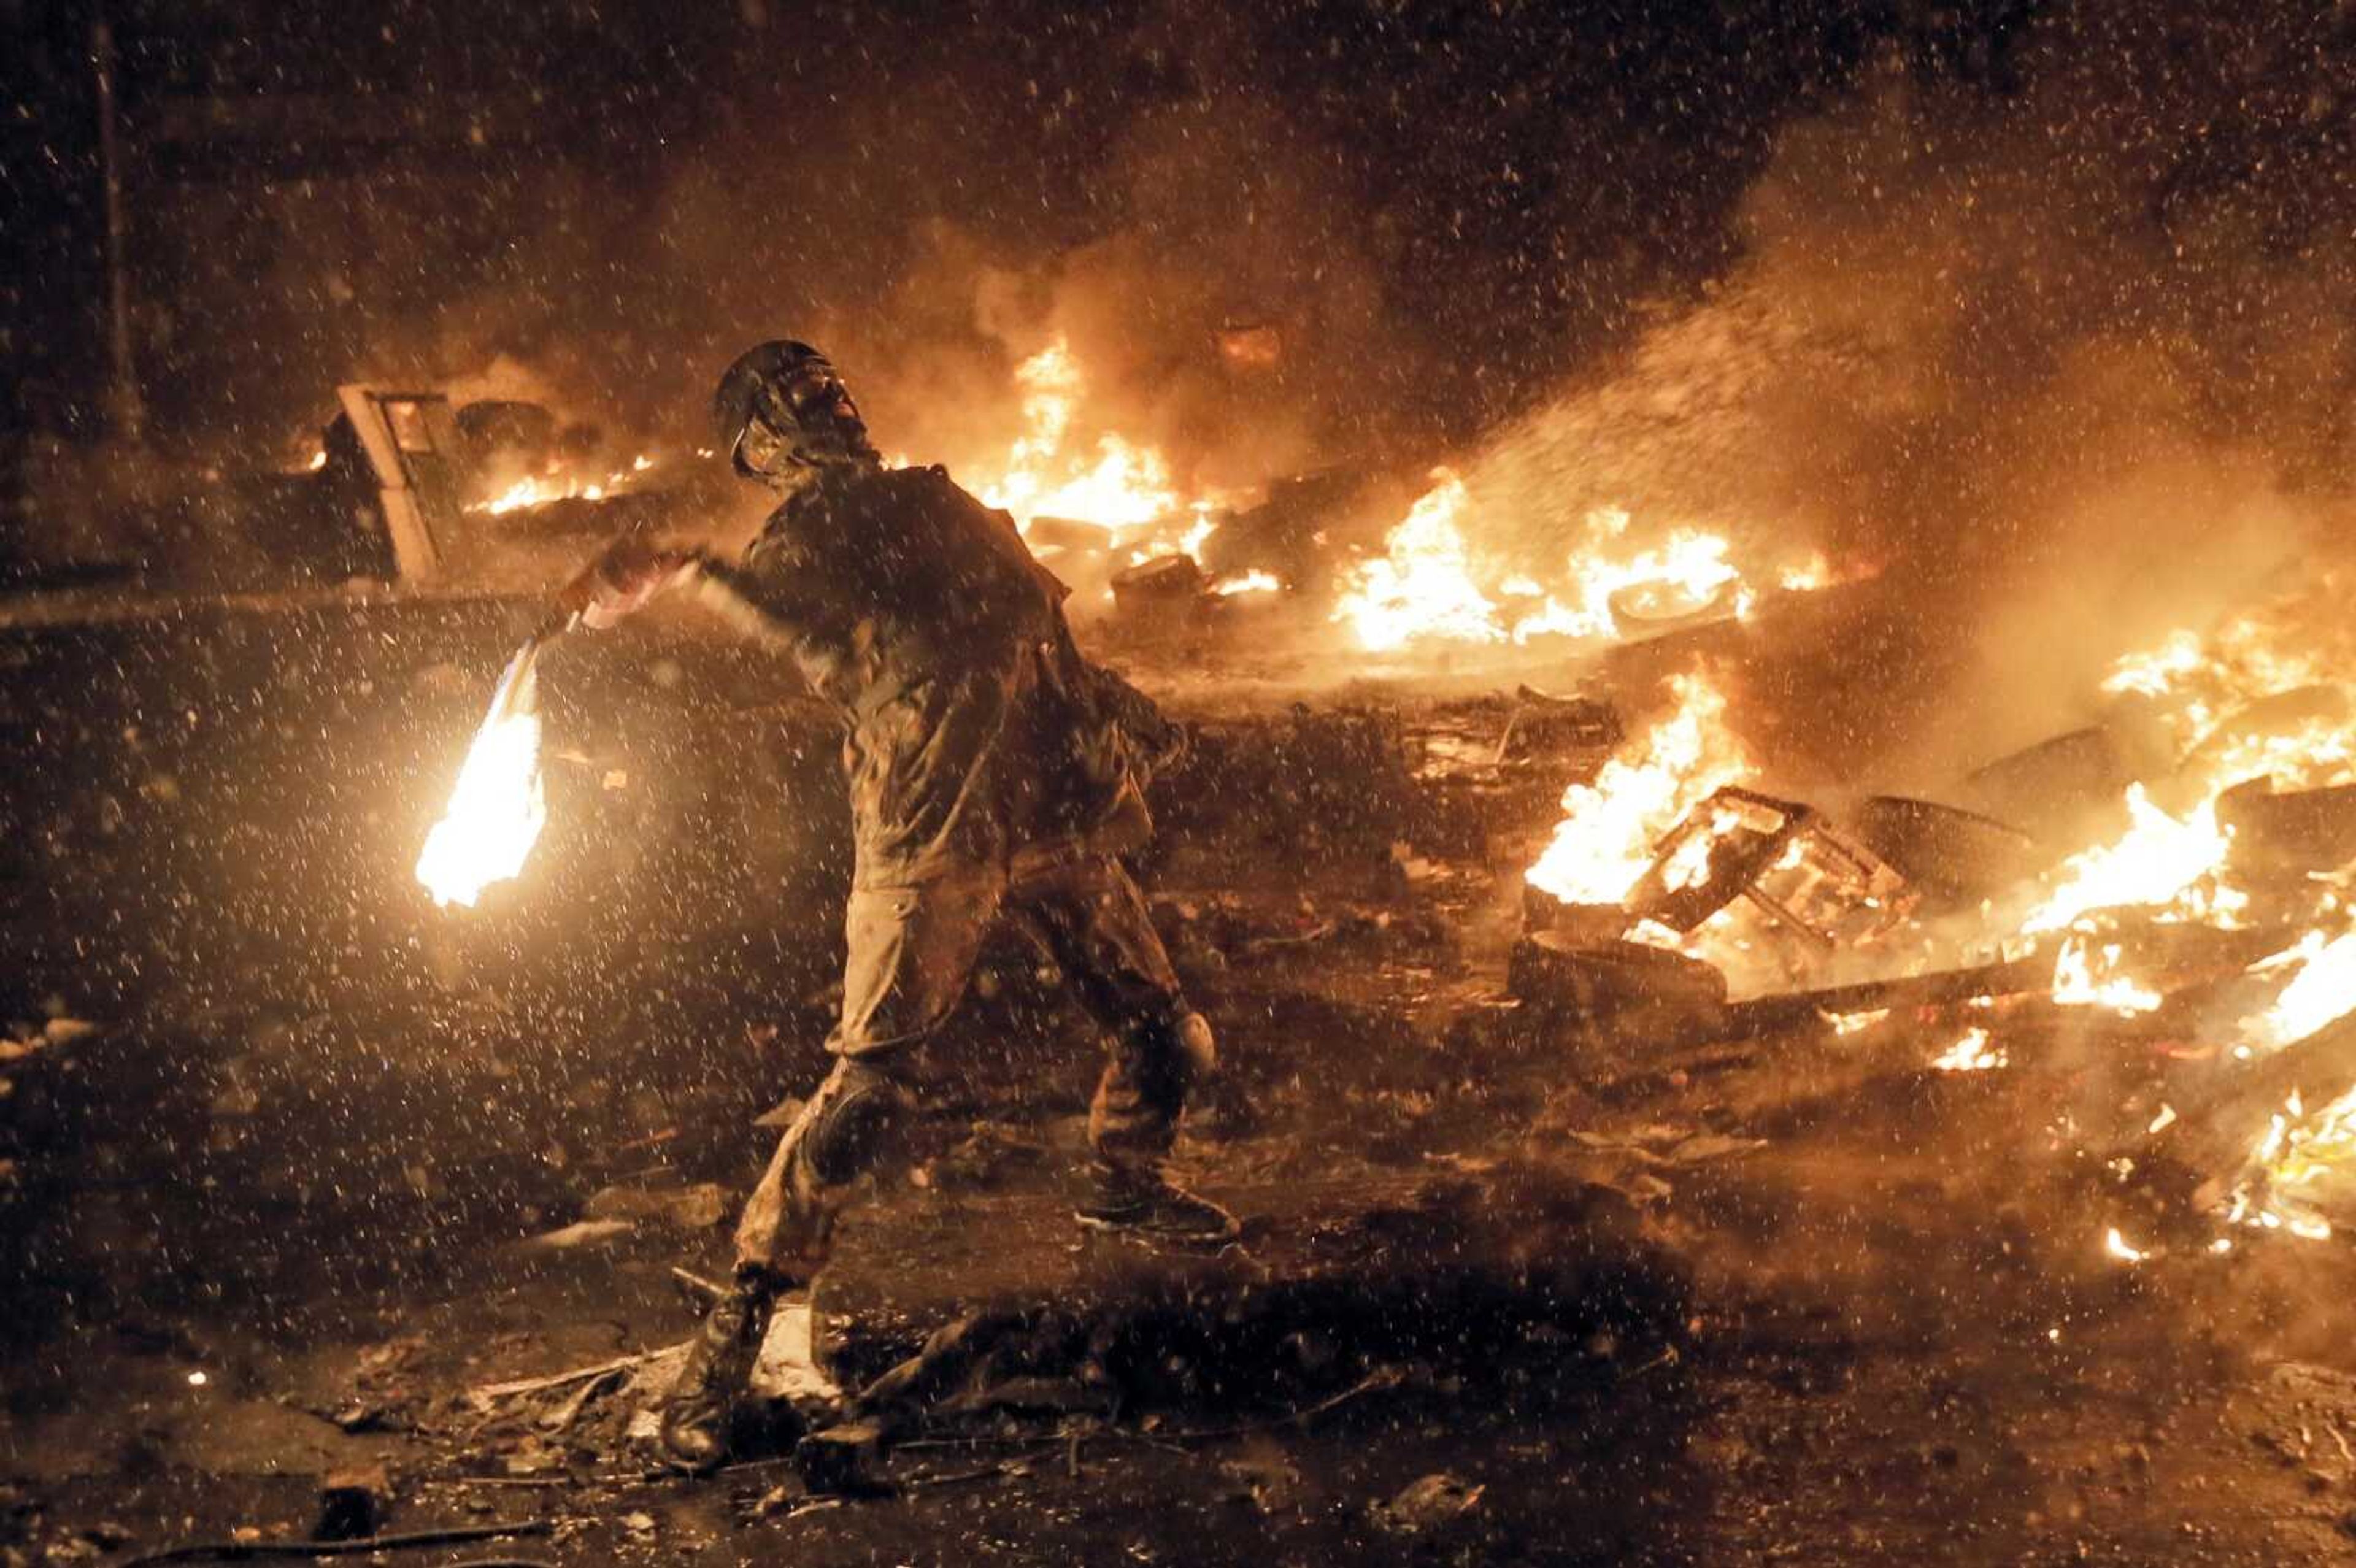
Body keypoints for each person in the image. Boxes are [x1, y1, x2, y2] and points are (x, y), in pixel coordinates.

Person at [556, 340, 1236, 1474]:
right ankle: (733, 1333)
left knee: (1165, 1029)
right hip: (933, 822)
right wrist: (689, 570)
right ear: (758, 445)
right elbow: (801, 627)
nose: (833, 405)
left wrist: (1116, 705)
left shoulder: (938, 500)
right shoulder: (805, 537)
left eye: (832, 387)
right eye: (798, 399)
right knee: (868, 1091)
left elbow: (1033, 627)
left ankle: (1128, 1183)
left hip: (1051, 807)